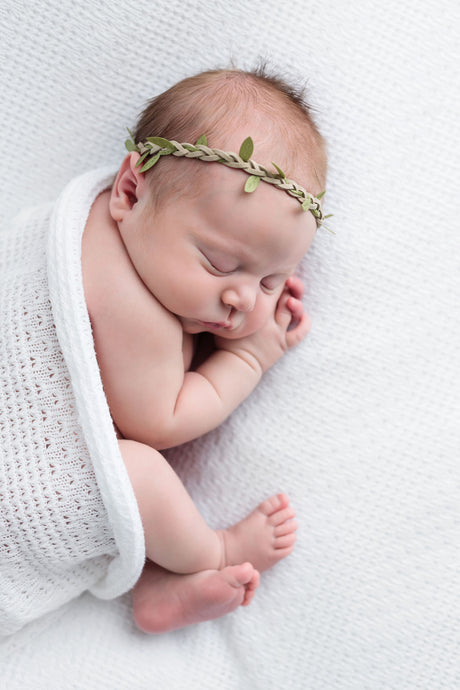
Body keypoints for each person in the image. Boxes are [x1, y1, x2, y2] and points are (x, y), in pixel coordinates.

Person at [81, 67, 328, 633]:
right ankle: (207, 556)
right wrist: (249, 356)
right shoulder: (127, 300)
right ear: (129, 191)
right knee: (132, 470)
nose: (243, 298)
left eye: (272, 280)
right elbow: (158, 423)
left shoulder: (135, 233)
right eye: (220, 263)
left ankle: (150, 575)